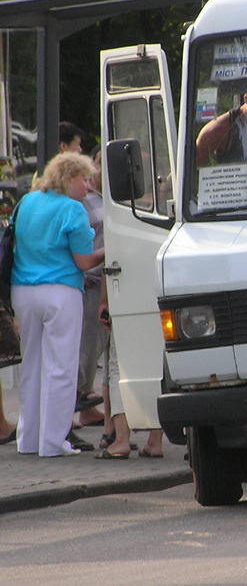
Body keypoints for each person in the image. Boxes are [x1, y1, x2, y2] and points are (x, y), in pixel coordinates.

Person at [12, 152, 104, 456]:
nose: (88, 187)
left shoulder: (27, 202)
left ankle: (28, 438)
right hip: (61, 291)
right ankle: (53, 442)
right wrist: (108, 250)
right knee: (61, 367)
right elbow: (83, 261)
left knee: (32, 364)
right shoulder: (72, 209)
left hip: (23, 290)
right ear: (68, 178)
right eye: (84, 179)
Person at [94, 276, 164, 460]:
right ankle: (155, 441)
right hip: (158, 292)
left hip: (123, 291)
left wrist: (104, 300)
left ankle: (121, 439)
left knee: (118, 365)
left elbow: (109, 261)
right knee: (156, 363)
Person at [77, 146, 107, 426]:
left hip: (106, 278)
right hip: (91, 280)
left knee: (98, 345)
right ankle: (75, 403)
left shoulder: (104, 197)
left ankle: (86, 407)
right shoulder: (81, 200)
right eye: (99, 163)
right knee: (87, 345)